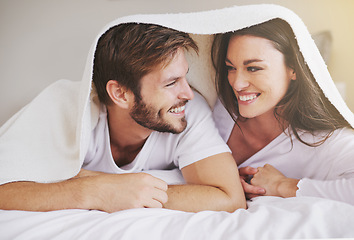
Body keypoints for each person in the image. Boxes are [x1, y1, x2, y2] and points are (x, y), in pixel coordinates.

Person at [0, 23, 246, 213]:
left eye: (185, 77)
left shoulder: (187, 110)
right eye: (171, 83)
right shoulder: (65, 106)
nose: (188, 93)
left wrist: (129, 189)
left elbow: (230, 198)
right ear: (120, 93)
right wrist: (94, 190)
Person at [211, 18, 354, 205]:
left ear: (293, 68)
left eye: (253, 68)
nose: (237, 83)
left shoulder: (326, 142)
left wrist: (283, 185)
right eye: (231, 67)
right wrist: (224, 181)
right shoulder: (220, 105)